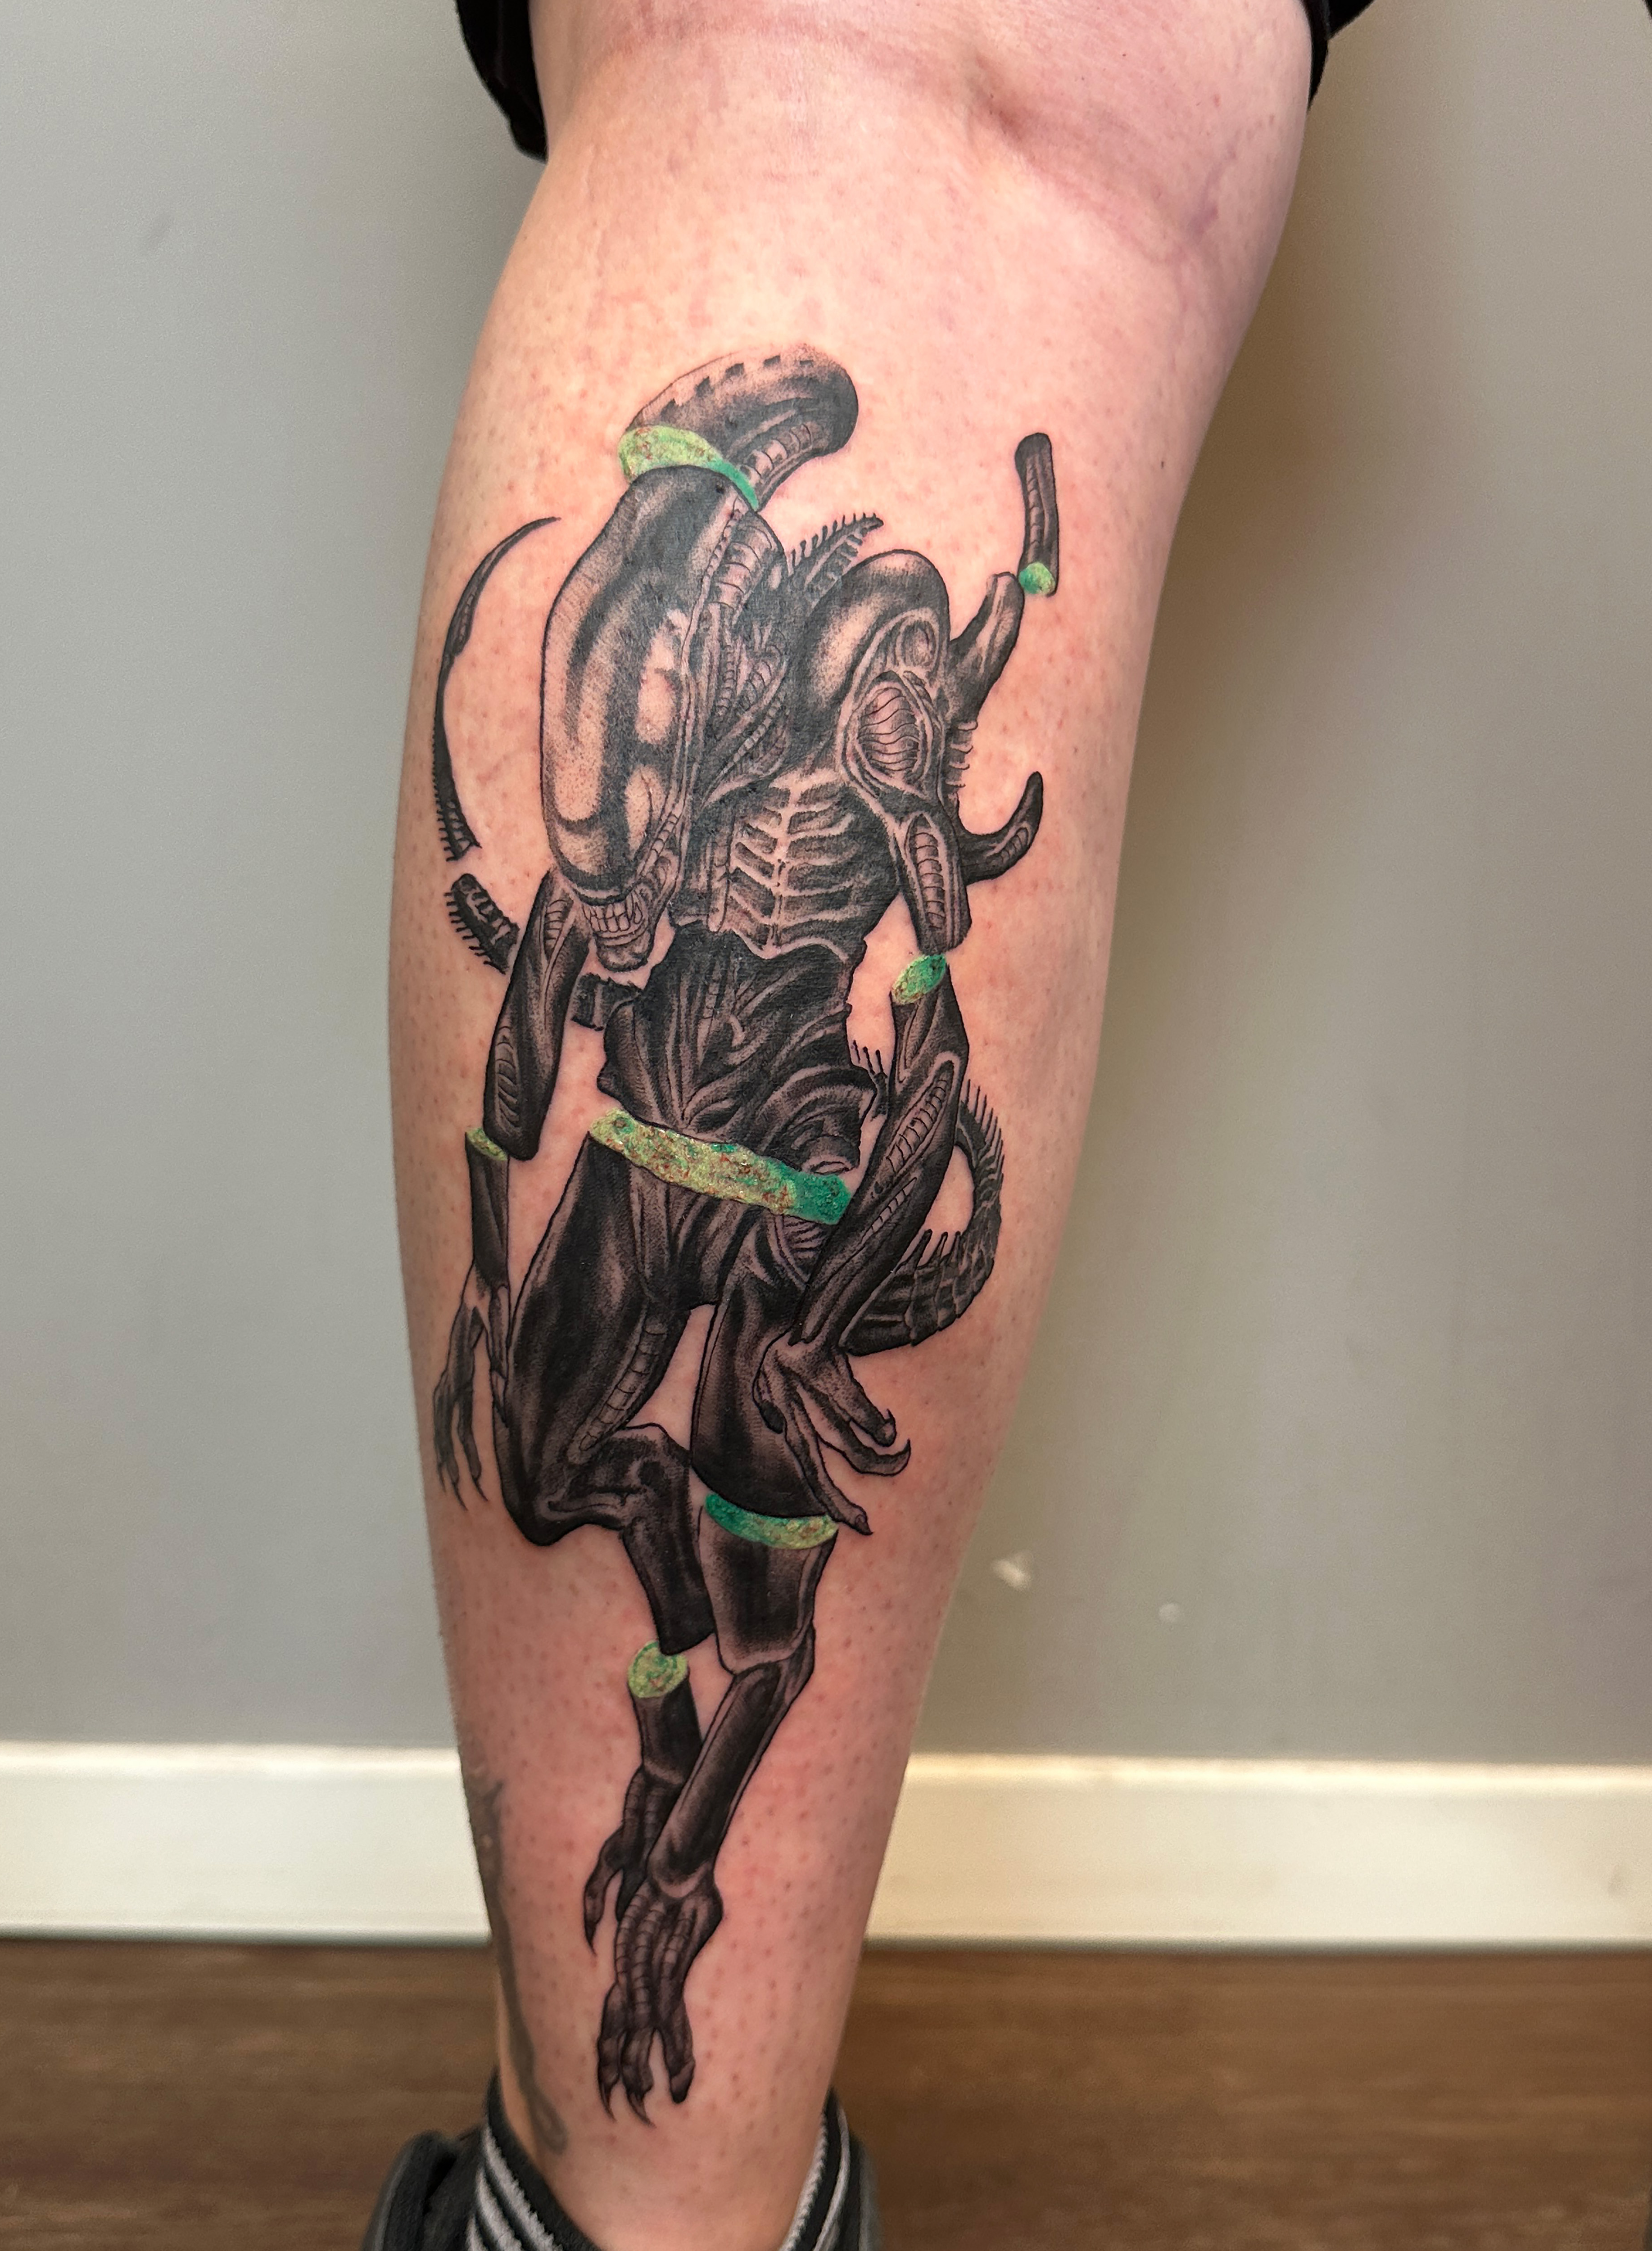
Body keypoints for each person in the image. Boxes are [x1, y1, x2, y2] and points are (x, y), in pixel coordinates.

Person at [368, 4, 1374, 2246]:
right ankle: (624, 2170)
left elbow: (915, 868)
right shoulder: (712, 704)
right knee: (824, 51)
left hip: (780, 1148)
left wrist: (912, 958)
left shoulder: (874, 695)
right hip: (663, 1123)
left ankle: (639, 2205)